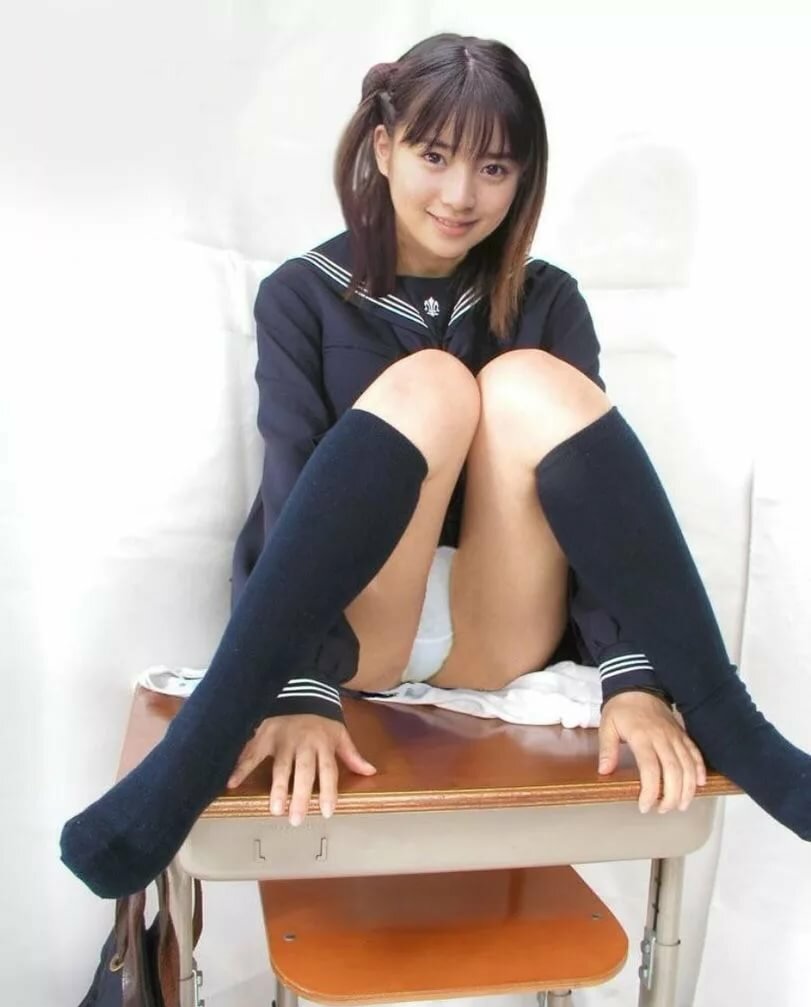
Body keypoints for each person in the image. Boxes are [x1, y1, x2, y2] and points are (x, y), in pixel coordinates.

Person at [60, 32, 809, 901]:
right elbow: (289, 486)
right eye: (434, 156)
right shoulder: (301, 294)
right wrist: (300, 687)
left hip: (499, 630)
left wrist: (632, 677)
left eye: (493, 168)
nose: (460, 195)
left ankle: (724, 715)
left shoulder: (547, 299)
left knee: (530, 383)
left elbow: (600, 513)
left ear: (522, 178)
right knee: (434, 384)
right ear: (382, 148)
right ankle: (204, 742)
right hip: (360, 629)